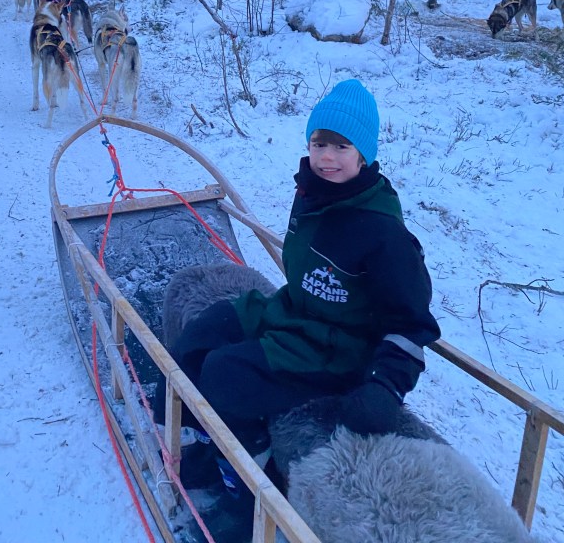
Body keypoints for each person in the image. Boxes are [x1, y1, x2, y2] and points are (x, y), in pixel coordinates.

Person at [154, 78, 440, 508]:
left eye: (341, 147)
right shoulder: (313, 193)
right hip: (295, 314)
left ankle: (253, 477)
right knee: (203, 333)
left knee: (224, 373)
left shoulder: (383, 233)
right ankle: (211, 440)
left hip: (338, 349)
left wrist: (387, 387)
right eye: (319, 142)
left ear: (364, 154)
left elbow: (412, 322)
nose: (326, 157)